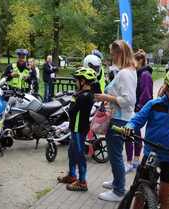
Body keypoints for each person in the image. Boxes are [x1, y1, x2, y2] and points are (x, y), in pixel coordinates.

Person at [123, 68, 169, 209]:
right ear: (167, 87)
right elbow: (137, 120)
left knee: (165, 197)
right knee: (139, 194)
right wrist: (129, 126)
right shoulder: (153, 105)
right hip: (151, 154)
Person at [95, 40, 137, 202]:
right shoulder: (128, 71)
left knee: (115, 156)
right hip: (120, 118)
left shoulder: (125, 73)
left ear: (120, 53)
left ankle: (119, 190)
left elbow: (129, 100)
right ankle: (116, 182)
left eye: (113, 54)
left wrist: (106, 97)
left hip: (119, 120)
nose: (112, 57)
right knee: (115, 154)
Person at [57, 67, 96, 191]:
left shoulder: (83, 96)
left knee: (79, 155)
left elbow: (72, 110)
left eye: (77, 80)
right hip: (76, 127)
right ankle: (72, 175)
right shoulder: (86, 94)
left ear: (83, 81)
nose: (75, 82)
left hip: (79, 129)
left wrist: (73, 99)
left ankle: (82, 181)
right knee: (72, 152)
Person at [124, 49, 153, 173]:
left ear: (140, 60)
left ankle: (132, 161)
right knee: (134, 135)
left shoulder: (145, 75)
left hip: (137, 109)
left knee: (131, 135)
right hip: (135, 108)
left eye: (134, 60)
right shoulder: (139, 73)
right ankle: (133, 161)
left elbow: (146, 94)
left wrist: (139, 108)